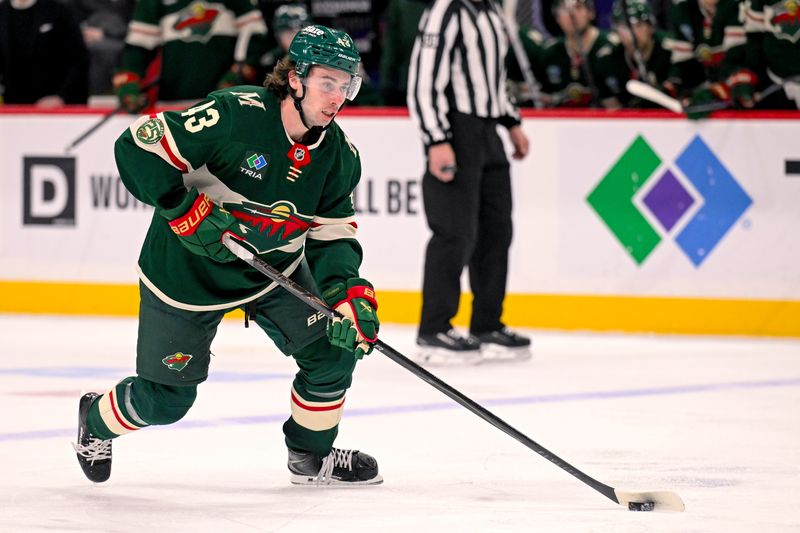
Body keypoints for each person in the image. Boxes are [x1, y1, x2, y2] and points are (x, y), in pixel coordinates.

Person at [72, 25, 383, 486]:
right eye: (327, 82)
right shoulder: (234, 115)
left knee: (334, 355)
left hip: (273, 273)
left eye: (346, 84)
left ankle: (311, 457)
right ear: (295, 78)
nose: (337, 97)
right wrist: (183, 211)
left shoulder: (339, 155)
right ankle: (94, 421)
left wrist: (348, 293)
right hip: (185, 276)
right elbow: (137, 146)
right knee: (167, 401)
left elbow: (331, 237)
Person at [407, 0, 532, 365]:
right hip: (456, 129)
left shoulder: (490, 10)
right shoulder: (446, 9)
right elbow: (423, 80)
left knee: (497, 229)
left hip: (488, 128)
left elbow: (494, 77)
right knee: (454, 231)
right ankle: (434, 329)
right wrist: (436, 139)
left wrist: (511, 122)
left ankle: (487, 323)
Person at [113, 0, 269, 112]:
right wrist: (128, 84)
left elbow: (255, 37)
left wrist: (237, 75)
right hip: (173, 107)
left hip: (227, 106)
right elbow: (136, 50)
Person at [538, 0, 629, 108]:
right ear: (557, 18)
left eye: (578, 7)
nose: (572, 14)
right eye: (565, 9)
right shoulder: (549, 52)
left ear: (591, 13)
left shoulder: (613, 48)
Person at [0, 0, 89, 106]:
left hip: (55, 105)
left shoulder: (58, 11)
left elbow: (79, 58)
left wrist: (61, 96)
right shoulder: (3, 12)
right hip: (12, 105)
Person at [610, 0, 673, 107]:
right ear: (616, 32)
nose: (632, 33)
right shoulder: (611, 58)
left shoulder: (669, 50)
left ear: (651, 27)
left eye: (638, 25)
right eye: (625, 27)